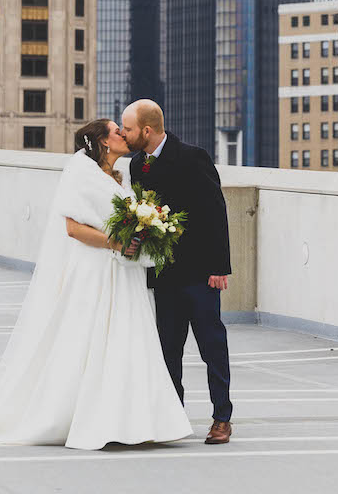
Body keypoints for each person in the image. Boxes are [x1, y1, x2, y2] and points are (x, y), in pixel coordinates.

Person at [0, 119, 192, 450]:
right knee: (90, 339)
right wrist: (115, 244)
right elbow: (72, 227)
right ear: (103, 142)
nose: (124, 135)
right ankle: (89, 419)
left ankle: (130, 421)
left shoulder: (120, 175)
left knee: (126, 338)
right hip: (95, 269)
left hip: (123, 273)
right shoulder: (80, 171)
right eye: (116, 131)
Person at [121, 99, 234, 445]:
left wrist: (219, 267)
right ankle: (173, 416)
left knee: (211, 345)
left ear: (147, 130)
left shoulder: (192, 157)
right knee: (168, 348)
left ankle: (222, 418)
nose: (124, 135)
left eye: (127, 129)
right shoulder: (137, 165)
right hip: (164, 273)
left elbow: (216, 211)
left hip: (200, 272)